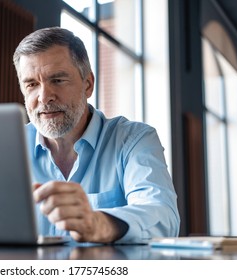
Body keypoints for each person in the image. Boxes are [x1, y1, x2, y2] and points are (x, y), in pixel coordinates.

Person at [13, 27, 180, 243]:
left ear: (88, 85)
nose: (44, 97)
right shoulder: (9, 148)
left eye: (58, 80)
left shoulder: (134, 139)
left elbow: (163, 218)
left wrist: (98, 223)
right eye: (32, 84)